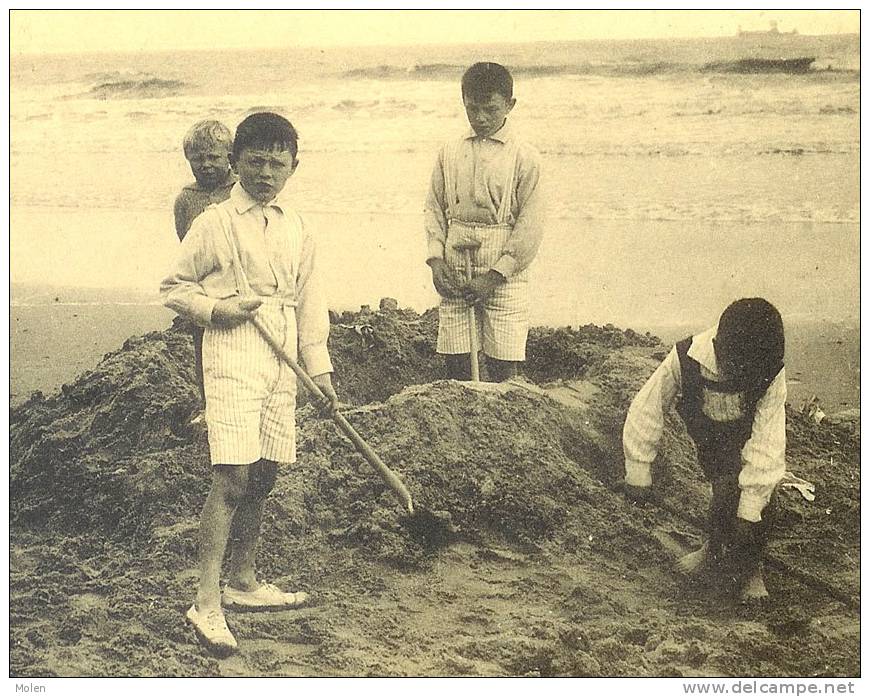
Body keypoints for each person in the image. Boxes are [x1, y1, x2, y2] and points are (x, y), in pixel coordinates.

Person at [161, 112, 339, 654]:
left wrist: (320, 366)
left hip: (282, 352)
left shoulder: (298, 225)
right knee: (233, 477)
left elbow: (310, 299)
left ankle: (243, 582)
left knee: (266, 471)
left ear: (293, 167)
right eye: (255, 162)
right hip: (233, 347)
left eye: (277, 163)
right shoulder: (214, 221)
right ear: (235, 163)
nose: (266, 173)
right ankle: (206, 601)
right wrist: (218, 309)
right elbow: (173, 286)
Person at [622, 298, 787, 602]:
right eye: (740, 372)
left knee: (761, 503)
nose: (746, 380)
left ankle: (752, 568)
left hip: (749, 436)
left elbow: (767, 444)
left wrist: (749, 514)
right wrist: (639, 471)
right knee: (723, 490)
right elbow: (647, 409)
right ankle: (712, 549)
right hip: (711, 439)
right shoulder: (686, 357)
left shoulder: (769, 372)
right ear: (718, 347)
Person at [424, 62, 545, 382]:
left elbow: (530, 227)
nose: (480, 118)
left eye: (490, 109)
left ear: (510, 105)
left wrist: (493, 276)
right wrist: (436, 260)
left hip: (503, 264)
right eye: (472, 108)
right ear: (463, 101)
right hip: (455, 257)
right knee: (456, 355)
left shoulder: (525, 157)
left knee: (504, 356)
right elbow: (434, 208)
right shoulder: (449, 151)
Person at [173, 120, 237, 402]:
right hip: (204, 286)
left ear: (230, 157)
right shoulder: (186, 199)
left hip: (238, 280)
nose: (206, 165)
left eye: (214, 157)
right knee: (202, 344)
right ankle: (207, 402)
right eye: (198, 159)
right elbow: (185, 243)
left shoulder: (240, 190)